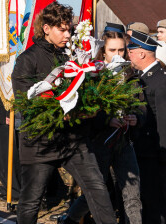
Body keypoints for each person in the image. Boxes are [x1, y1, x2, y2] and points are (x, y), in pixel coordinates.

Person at [12, 1, 116, 224]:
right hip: (40, 143)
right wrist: (63, 113)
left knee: (98, 190)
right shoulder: (26, 60)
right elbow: (26, 104)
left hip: (73, 140)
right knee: (31, 202)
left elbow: (84, 93)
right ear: (47, 28)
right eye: (62, 29)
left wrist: (90, 110)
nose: (67, 34)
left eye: (69, 29)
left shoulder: (71, 57)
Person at [63, 23, 142, 224]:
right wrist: (106, 119)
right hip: (99, 142)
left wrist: (136, 117)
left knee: (132, 196)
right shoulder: (93, 76)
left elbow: (140, 105)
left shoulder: (130, 75)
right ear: (103, 51)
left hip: (124, 143)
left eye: (121, 50)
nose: (117, 54)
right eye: (112, 50)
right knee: (96, 193)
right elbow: (84, 110)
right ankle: (71, 219)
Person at [127, 30, 166, 224]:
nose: (128, 55)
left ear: (141, 53)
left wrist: (164, 152)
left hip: (153, 151)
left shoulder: (163, 80)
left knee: (153, 204)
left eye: (131, 51)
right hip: (141, 148)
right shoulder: (143, 77)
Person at [0, 90, 22, 202]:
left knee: (8, 155)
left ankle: (15, 190)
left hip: (5, 114)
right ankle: (7, 187)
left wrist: (9, 112)